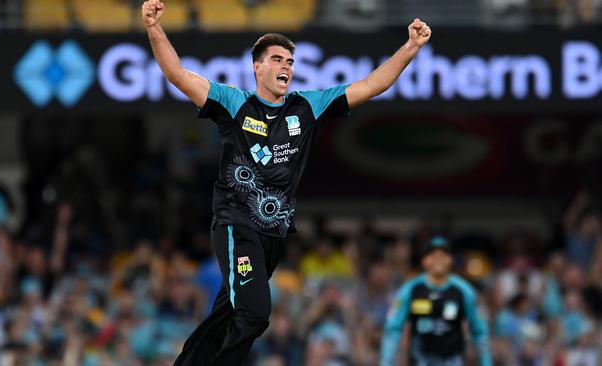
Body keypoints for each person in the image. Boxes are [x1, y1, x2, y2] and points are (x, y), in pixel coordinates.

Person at [141, 1, 432, 364]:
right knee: (255, 313)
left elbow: (373, 84)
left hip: (274, 234)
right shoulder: (233, 103)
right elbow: (177, 74)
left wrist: (411, 48)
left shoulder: (308, 107)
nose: (286, 67)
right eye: (278, 60)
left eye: (291, 62)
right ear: (257, 67)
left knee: (230, 312)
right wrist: (154, 28)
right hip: (237, 225)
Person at [380, 236, 493, 366]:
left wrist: (486, 362)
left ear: (450, 260)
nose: (438, 260)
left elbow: (479, 330)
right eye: (433, 256)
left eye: (443, 256)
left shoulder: (464, 291)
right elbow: (393, 328)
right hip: (420, 360)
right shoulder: (410, 290)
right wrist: (386, 362)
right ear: (424, 261)